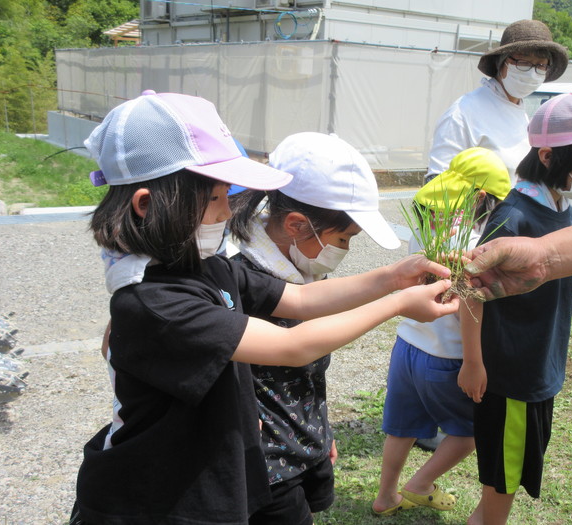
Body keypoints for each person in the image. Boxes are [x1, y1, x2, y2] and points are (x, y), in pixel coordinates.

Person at [70, 90, 460, 525]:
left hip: (210, 468)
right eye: (216, 198)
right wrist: (398, 304)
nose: (227, 210)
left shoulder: (206, 266)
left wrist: (392, 277)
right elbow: (292, 345)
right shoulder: (154, 301)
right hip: (161, 495)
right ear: (148, 204)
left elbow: (300, 300)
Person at [457, 93, 572, 525]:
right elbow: (469, 287)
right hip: (513, 375)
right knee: (503, 481)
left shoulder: (563, 205)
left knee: (506, 478)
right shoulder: (515, 215)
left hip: (540, 363)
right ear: (548, 156)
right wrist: (473, 362)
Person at [227, 131, 400, 525]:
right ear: (296, 225)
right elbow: (290, 349)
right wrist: (397, 299)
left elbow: (306, 370)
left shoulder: (301, 264)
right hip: (265, 462)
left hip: (305, 438)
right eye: (344, 238)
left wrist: (318, 429)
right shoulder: (239, 278)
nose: (346, 250)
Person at [372, 148, 511, 516]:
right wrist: (474, 363)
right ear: (482, 197)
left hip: (408, 344)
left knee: (401, 428)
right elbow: (470, 301)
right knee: (468, 433)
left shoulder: (427, 220)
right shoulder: (469, 241)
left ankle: (386, 497)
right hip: (447, 355)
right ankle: (420, 484)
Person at [425, 19, 568, 184]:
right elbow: (437, 184)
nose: (532, 72)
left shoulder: (521, 114)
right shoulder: (463, 113)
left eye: (541, 65)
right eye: (523, 62)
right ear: (502, 62)